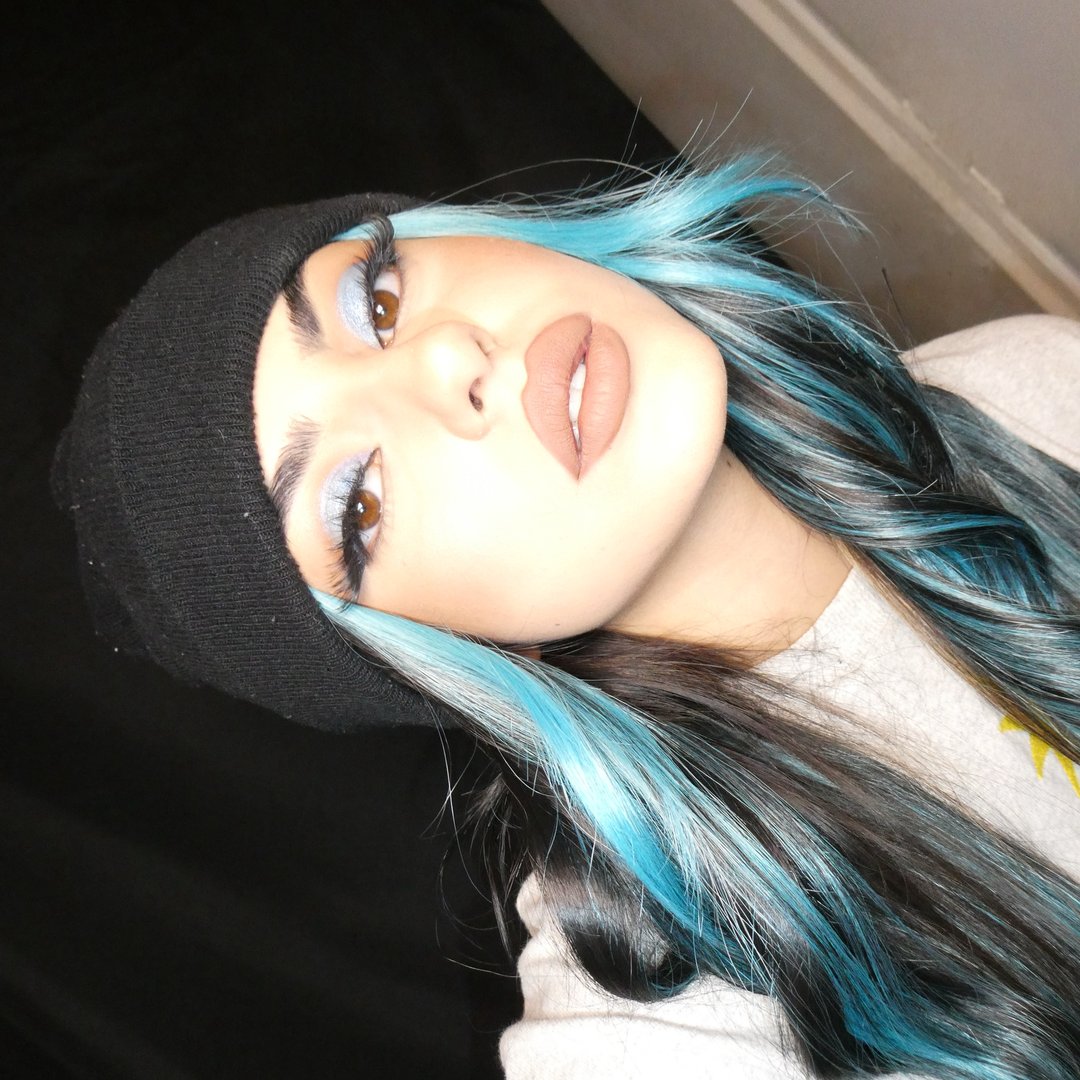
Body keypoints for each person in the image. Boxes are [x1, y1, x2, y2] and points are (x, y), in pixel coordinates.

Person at [54, 158, 1080, 1079]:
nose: (445, 362)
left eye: (376, 296)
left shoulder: (1028, 379)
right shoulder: (654, 1026)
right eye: (356, 505)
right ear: (432, 656)